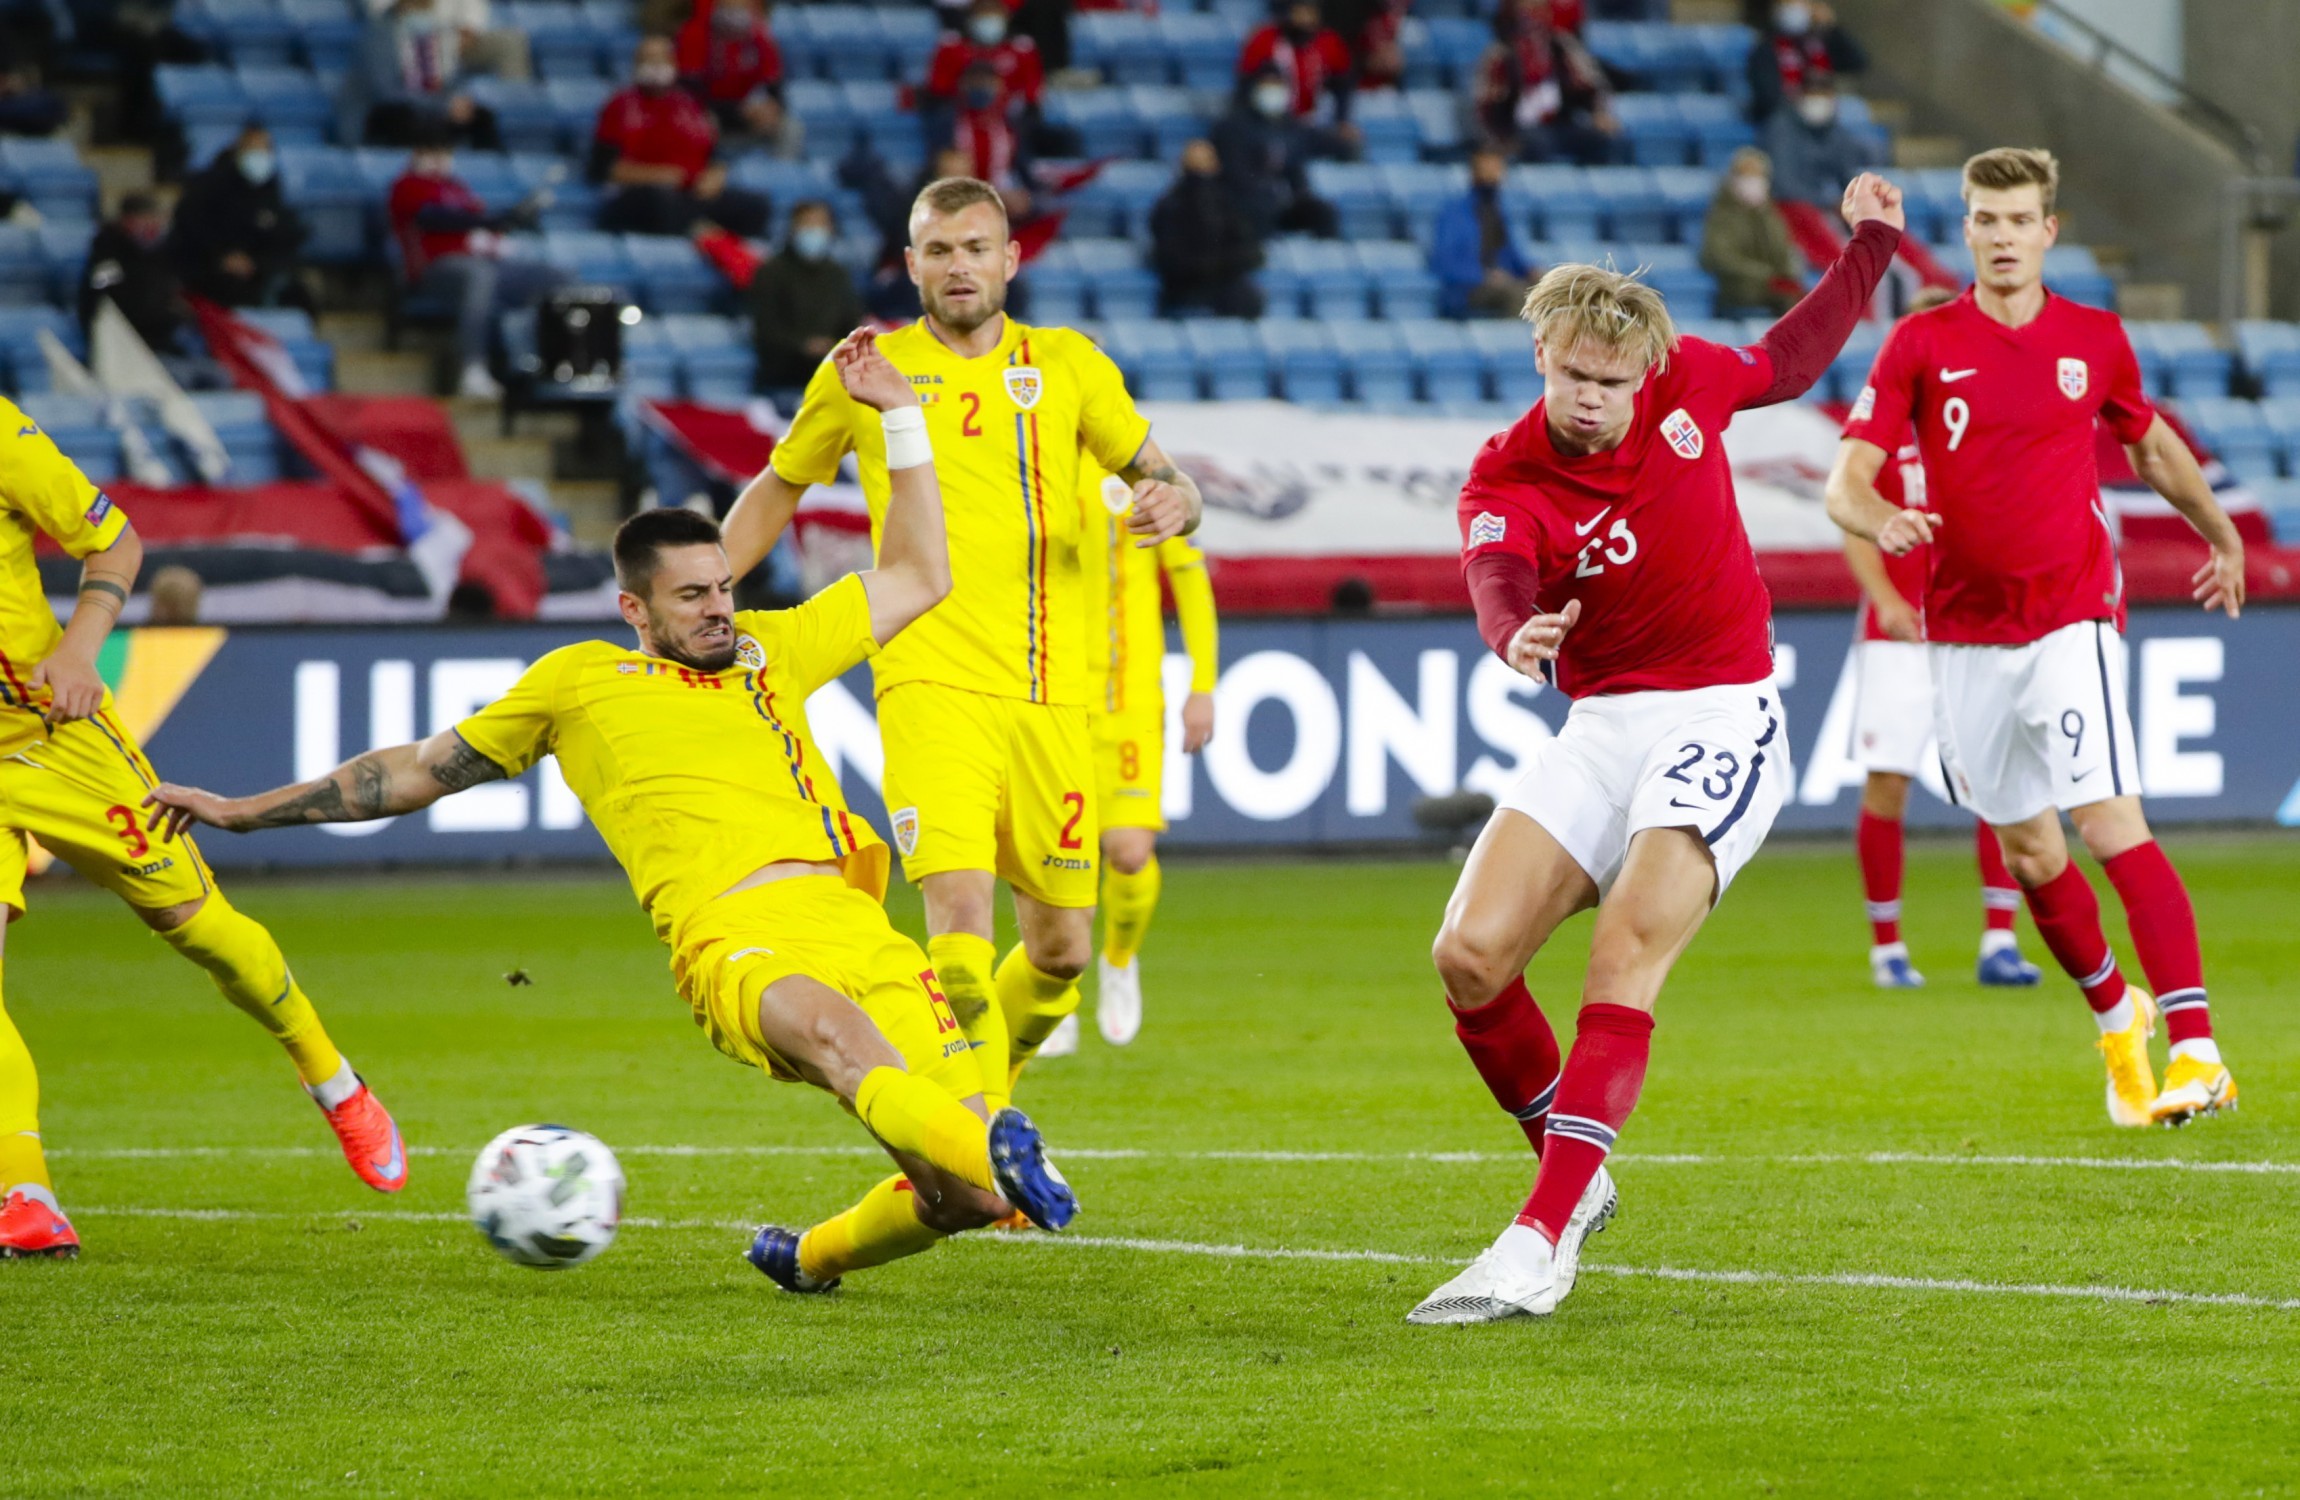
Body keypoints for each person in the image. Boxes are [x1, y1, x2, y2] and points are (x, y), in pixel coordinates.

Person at [146, 342, 1083, 1294]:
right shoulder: (581, 684)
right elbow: (414, 771)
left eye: (724, 587)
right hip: (737, 940)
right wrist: (244, 812)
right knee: (847, 1049)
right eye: (693, 597)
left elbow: (923, 574)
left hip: (858, 926)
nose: (721, 610)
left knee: (965, 1200)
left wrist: (900, 418)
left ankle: (811, 1255)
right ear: (634, 607)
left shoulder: (774, 647)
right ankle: (997, 1142)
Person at [1407, 172, 1905, 1324]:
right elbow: (1496, 568)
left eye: (1609, 381)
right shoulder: (1508, 472)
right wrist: (1508, 629)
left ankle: (1537, 1238)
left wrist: (1868, 246)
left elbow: (1788, 356)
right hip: (1601, 722)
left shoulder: (1689, 388)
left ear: (1644, 374)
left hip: (1722, 709)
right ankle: (1575, 1179)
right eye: (1572, 375)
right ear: (1541, 357)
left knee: (1625, 945)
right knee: (1468, 957)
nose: (1590, 398)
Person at [718, 176, 1203, 1113]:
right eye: (938, 251)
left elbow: (1166, 476)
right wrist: (701, 593)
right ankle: (982, 1148)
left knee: (1061, 949)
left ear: (1011, 260)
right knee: (959, 934)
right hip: (927, 681)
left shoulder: (1067, 366)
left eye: (976, 248)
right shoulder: (866, 371)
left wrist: (1176, 501)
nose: (959, 267)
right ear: (910, 266)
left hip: (1054, 697)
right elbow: (780, 483)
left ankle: (994, 1091)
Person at [1827, 148, 2247, 1128]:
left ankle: (2197, 1048)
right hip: (1960, 638)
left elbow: (2147, 446)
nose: (2002, 236)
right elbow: (1844, 477)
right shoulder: (1919, 347)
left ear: (2047, 232)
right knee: (2026, 853)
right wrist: (1875, 515)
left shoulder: (2092, 339)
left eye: (2019, 220)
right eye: (1984, 219)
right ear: (1966, 231)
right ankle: (2117, 1021)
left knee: (2105, 825)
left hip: (2069, 620)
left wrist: (2219, 535)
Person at [0, 402, 406, 1259]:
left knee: (202, 929)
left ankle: (332, 1078)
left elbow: (116, 541)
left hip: (50, 734)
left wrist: (79, 649)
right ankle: (24, 1192)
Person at [1841, 287, 2044, 991]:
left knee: (1998, 783)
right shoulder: (1881, 429)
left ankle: (1999, 940)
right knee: (1888, 783)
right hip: (1900, 638)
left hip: (1978, 630)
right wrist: (1889, 598)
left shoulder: (1991, 426)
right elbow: (1851, 519)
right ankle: (1887, 949)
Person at [1057, 463, 1219, 1052]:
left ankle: (1119, 959)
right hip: (1051, 700)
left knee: (1127, 852)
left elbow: (1191, 582)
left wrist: (1202, 683)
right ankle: (1057, 992)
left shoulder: (1142, 475)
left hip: (1128, 703)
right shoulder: (1032, 461)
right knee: (1056, 856)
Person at [387, 133, 572, 399]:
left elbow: (483, 224)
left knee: (554, 277)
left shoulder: (457, 187)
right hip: (435, 268)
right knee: (479, 276)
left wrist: (508, 221)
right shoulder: (407, 185)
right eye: (431, 152)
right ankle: (472, 369)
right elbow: (433, 218)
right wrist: (489, 221)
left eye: (444, 152)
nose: (439, 159)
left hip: (481, 260)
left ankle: (542, 363)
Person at [591, 36, 771, 239]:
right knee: (662, 200)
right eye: (649, 60)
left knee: (756, 205)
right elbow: (602, 169)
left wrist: (716, 175)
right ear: (636, 65)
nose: (656, 66)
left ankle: (739, 258)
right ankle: (695, 237)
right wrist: (657, 175)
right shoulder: (620, 105)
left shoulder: (690, 105)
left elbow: (714, 155)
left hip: (691, 192)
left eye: (663, 60)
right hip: (642, 194)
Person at [167, 126, 312, 312]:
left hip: (256, 269)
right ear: (238, 152)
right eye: (252, 150)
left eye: (265, 150)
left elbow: (282, 235)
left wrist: (256, 263)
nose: (259, 156)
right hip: (208, 266)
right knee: (231, 289)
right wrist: (223, 257)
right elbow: (190, 227)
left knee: (299, 295)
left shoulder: (271, 189)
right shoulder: (207, 186)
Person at [1469, 0, 1622, 167]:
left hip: (1560, 124)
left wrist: (1599, 112)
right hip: (1518, 129)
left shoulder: (1561, 47)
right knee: (1537, 142)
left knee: (1604, 139)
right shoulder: (1500, 56)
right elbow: (1485, 106)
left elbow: (1591, 85)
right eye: (1526, 12)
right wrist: (1498, 139)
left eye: (1538, 11)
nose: (1533, 19)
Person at [347, 0, 503, 152]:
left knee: (480, 117)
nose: (423, 11)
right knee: (404, 117)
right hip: (388, 111)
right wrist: (441, 105)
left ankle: (489, 171)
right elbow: (386, 91)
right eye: (417, 5)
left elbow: (450, 77)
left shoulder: (435, 31)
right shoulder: (380, 33)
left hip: (430, 108)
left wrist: (457, 99)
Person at [1211, 65, 1345, 241]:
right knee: (1258, 208)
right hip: (1243, 203)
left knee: (1322, 212)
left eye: (1278, 85)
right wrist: (1270, 192)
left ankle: (1326, 259)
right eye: (1267, 85)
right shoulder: (1233, 127)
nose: (1274, 91)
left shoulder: (1289, 126)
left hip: (1279, 203)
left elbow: (1296, 166)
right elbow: (1235, 175)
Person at [748, 199, 862, 397]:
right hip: (783, 376)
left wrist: (835, 346)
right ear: (793, 228)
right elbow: (765, 328)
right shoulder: (771, 272)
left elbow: (852, 321)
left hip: (833, 375)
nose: (815, 230)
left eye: (821, 224)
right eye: (807, 224)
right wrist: (803, 346)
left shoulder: (837, 274)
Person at [80, 193, 201, 366]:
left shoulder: (159, 253)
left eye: (157, 218)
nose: (154, 224)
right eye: (148, 218)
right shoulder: (106, 256)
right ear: (128, 220)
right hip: (124, 340)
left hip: (161, 338)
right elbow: (101, 293)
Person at [1150, 140, 1265, 320]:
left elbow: (1250, 248)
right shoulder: (1173, 205)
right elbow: (1172, 259)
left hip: (1219, 285)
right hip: (1188, 290)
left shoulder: (1223, 203)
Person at [676, 0, 798, 154]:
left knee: (790, 127)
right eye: (729, 10)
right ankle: (707, 172)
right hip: (708, 109)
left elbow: (775, 86)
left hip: (747, 110)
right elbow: (687, 94)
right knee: (700, 123)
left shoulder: (760, 37)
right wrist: (738, 110)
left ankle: (780, 173)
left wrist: (771, 108)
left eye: (741, 10)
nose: (734, 16)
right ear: (717, 10)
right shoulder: (694, 34)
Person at [1431, 145, 1535, 319]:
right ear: (1474, 172)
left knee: (1553, 288)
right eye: (1487, 169)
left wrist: (1531, 271)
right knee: (1515, 293)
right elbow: (1445, 262)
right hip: (1467, 290)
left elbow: (1511, 256)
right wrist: (1484, 276)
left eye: (1496, 169)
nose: (1492, 175)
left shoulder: (1498, 211)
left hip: (1503, 281)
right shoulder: (1454, 212)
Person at [1699, 146, 1802, 317]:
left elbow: (1782, 250)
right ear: (1734, 179)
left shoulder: (1769, 213)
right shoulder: (1722, 215)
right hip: (1736, 290)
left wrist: (1788, 272)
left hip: (1771, 289)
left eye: (1758, 177)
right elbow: (1719, 257)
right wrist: (1765, 275)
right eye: (1747, 177)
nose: (1753, 183)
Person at [1746, 0, 1866, 125]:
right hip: (1783, 116)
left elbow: (1857, 63)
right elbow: (1767, 96)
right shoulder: (1765, 47)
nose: (1796, 8)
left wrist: (1833, 28)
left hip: (1823, 108)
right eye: (1789, 4)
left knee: (1854, 108)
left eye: (1802, 3)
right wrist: (1799, 106)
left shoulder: (1819, 42)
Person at [1237, 0, 1354, 126]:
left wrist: (1342, 120)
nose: (1305, 19)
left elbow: (1342, 86)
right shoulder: (1265, 39)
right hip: (1271, 121)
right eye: (1300, 12)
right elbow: (1246, 85)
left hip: (1315, 122)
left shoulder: (1329, 42)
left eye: (1310, 13)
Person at [1761, 75, 1868, 210]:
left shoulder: (1837, 132)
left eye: (1823, 95)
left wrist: (1849, 200)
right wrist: (1827, 203)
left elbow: (1849, 175)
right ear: (1799, 97)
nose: (1817, 102)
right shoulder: (1780, 128)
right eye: (1812, 95)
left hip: (1830, 209)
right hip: (1791, 208)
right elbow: (1783, 184)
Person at [369, 0, 530, 79]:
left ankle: (519, 113)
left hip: (451, 45)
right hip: (398, 42)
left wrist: (443, 52)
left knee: (510, 42)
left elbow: (470, 27)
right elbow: (379, 13)